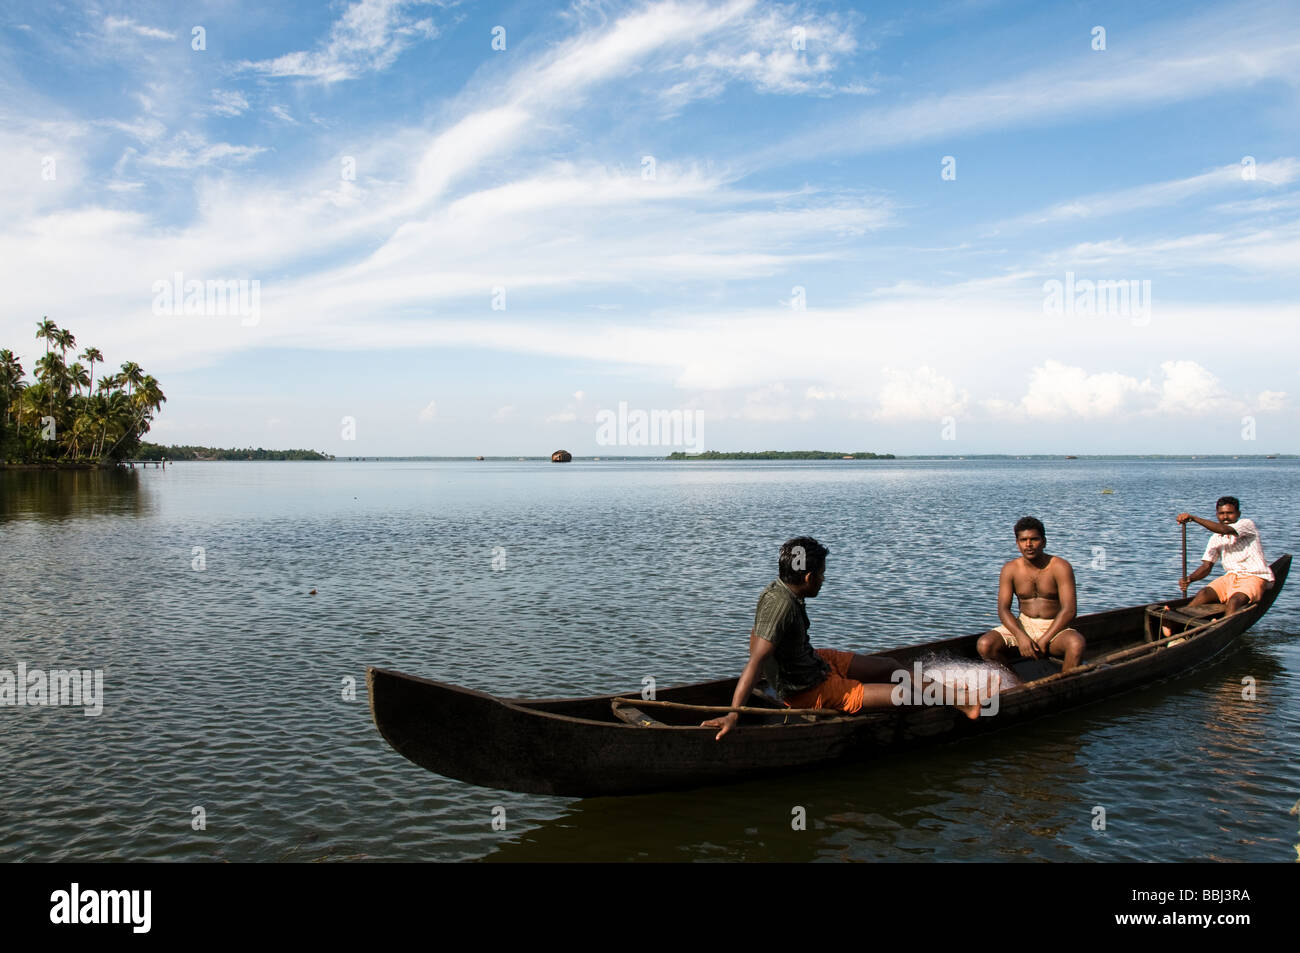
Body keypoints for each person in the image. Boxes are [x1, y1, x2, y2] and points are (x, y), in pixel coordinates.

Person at [702, 537, 982, 741]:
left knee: (888, 666)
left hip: (814, 661)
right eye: (822, 575)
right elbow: (756, 659)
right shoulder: (782, 605)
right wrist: (734, 714)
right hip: (807, 690)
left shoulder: (778, 589)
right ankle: (952, 705)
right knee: (903, 696)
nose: (824, 580)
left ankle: (957, 697)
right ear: (809, 577)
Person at [976, 517, 1085, 673]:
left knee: (1076, 644)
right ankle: (1016, 684)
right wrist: (1020, 636)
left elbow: (1069, 610)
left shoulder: (1060, 567)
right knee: (985, 645)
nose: (1029, 544)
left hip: (1054, 627)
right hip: (1024, 625)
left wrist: (1046, 638)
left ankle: (1064, 685)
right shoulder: (1010, 569)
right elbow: (1003, 610)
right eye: (1023, 540)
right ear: (1017, 543)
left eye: (1034, 539)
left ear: (1044, 541)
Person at [1177, 497, 1273, 613]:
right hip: (1230, 577)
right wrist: (1189, 579)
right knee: (1203, 593)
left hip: (1254, 577)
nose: (1225, 517)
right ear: (1217, 514)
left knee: (1234, 601)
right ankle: (1179, 621)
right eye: (1221, 513)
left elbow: (1225, 529)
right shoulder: (1215, 538)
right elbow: (1206, 567)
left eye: (1230, 513)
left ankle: (1224, 626)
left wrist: (1194, 518)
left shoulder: (1247, 524)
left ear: (1238, 514)